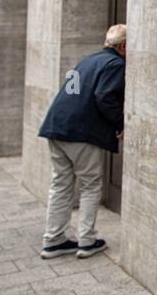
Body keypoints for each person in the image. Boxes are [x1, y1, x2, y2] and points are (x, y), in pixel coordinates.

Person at [37, 24, 126, 260]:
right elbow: (104, 96)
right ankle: (87, 240)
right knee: (90, 184)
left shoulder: (90, 59)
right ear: (124, 46)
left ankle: (53, 240)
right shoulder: (116, 64)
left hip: (56, 126)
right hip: (80, 132)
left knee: (60, 184)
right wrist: (120, 123)